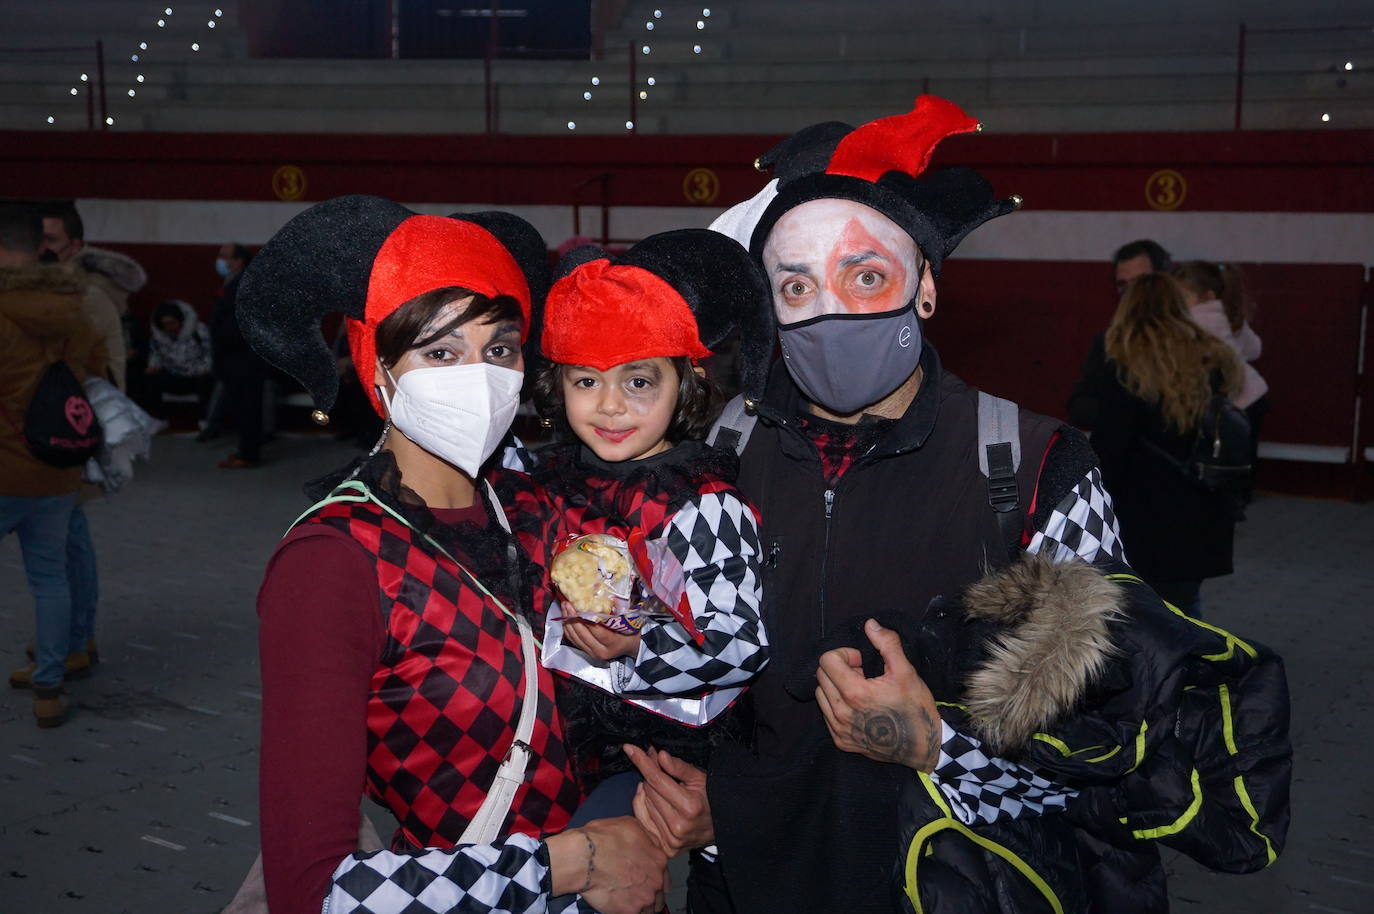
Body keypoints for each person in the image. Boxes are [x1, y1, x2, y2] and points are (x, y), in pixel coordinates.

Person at [626, 97, 1290, 914]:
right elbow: (693, 680)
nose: (830, 308)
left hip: (957, 885)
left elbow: (1122, 758)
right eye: (796, 285)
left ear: (927, 286)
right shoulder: (717, 459)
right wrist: (698, 797)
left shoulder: (1033, 463)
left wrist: (938, 746)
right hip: (751, 882)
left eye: (867, 276)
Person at [236, 195, 668, 914]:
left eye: (498, 349)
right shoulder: (333, 561)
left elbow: (624, 691)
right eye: (440, 352)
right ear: (378, 368)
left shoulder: (534, 505)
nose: (479, 375)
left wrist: (676, 795)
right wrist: (576, 861)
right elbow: (312, 892)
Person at [499, 230, 771, 827]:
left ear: (686, 384)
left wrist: (637, 645)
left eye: (639, 381)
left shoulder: (701, 503)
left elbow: (740, 645)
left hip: (660, 755)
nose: (611, 406)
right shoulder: (551, 476)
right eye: (586, 381)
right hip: (554, 736)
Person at [0, 202, 108, 728]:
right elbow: (92, 370)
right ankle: (49, 686)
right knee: (50, 578)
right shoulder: (75, 307)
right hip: (57, 466)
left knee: (50, 575)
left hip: (4, 471)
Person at [1086, 271, 1246, 614]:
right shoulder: (1211, 354)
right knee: (1186, 606)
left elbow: (1110, 442)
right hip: (1200, 502)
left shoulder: (1120, 355)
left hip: (1140, 508)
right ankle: (1192, 664)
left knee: (1132, 608)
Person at [1173, 259, 1269, 502]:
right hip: (1254, 396)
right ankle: (1242, 493)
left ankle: (1232, 496)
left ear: (1207, 295)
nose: (1178, 303)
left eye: (1183, 297)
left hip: (1233, 400)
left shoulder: (1195, 321)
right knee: (1244, 451)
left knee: (1221, 450)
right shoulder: (1230, 315)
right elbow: (1255, 349)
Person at [1066, 238, 1173, 429]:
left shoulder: (1191, 340)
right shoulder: (1109, 342)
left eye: (1140, 283)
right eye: (1123, 285)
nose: (1131, 293)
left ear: (1162, 282)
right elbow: (1080, 407)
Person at [38, 201, 143, 391]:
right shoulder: (61, 286)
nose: (41, 248)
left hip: (84, 406)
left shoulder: (87, 293)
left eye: (50, 240)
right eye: (36, 239)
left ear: (75, 246)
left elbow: (62, 359)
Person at [208, 242, 268, 467]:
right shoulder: (235, 282)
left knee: (248, 407)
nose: (220, 261)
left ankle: (249, 455)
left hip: (243, 357)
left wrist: (223, 343)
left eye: (225, 256)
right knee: (243, 406)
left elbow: (237, 324)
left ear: (238, 260)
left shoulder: (244, 285)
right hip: (237, 356)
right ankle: (244, 450)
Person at [143, 299, 214, 421]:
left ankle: (204, 420)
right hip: (173, 375)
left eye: (172, 323)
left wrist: (204, 369)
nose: (169, 327)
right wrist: (153, 366)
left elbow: (210, 352)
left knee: (208, 381)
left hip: (196, 375)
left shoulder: (199, 330)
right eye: (165, 324)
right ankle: (158, 420)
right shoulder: (159, 337)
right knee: (149, 379)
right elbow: (155, 354)